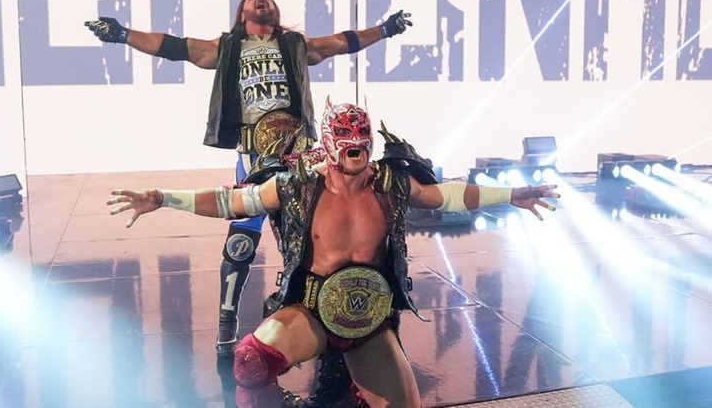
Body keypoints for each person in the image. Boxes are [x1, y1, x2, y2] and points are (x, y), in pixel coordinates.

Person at [106, 98, 561, 407]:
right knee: (250, 360)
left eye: (363, 148)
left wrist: (513, 194)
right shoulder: (297, 185)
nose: (358, 156)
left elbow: (448, 196)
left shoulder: (391, 184)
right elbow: (231, 201)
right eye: (349, 148)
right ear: (329, 145)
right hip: (310, 313)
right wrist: (163, 197)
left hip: (370, 322)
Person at [86, 0, 413, 358]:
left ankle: (329, 318)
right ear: (242, 13)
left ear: (275, 10)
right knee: (243, 234)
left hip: (301, 156)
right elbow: (173, 47)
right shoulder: (225, 48)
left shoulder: (296, 45)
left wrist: (385, 29)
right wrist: (122, 33)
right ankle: (227, 322)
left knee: (312, 237)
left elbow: (343, 42)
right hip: (255, 157)